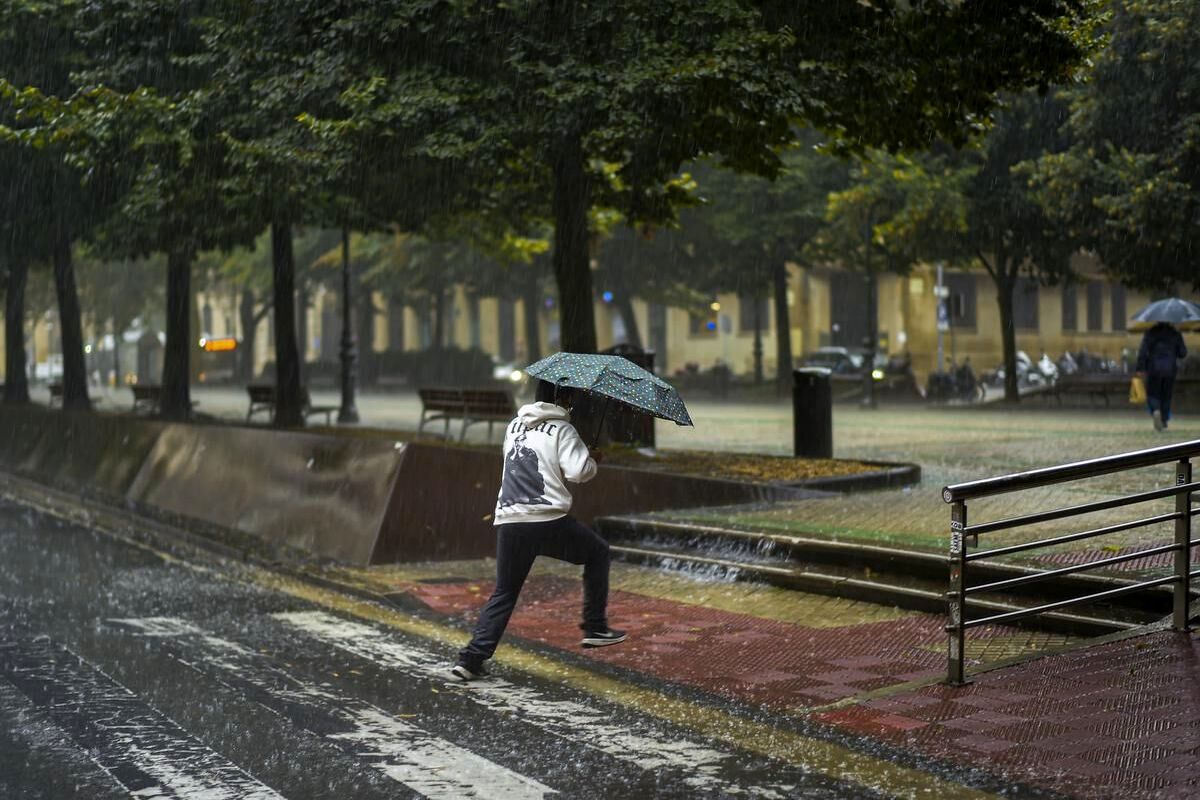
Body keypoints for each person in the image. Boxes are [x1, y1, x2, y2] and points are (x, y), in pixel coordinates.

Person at [452, 380, 626, 682]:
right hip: (546, 518)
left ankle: (470, 660)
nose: (572, 404)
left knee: (504, 592)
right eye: (569, 399)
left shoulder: (514, 426)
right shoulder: (563, 430)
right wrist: (592, 459)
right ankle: (595, 627)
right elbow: (578, 472)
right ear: (562, 399)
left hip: (509, 518)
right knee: (598, 553)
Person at [1136, 321, 1188, 431]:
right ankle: (1164, 421)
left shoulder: (1151, 332)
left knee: (1152, 393)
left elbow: (1143, 352)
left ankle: (1155, 410)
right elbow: (1183, 353)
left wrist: (1140, 368)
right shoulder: (1175, 333)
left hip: (1153, 369)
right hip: (1170, 370)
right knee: (1166, 396)